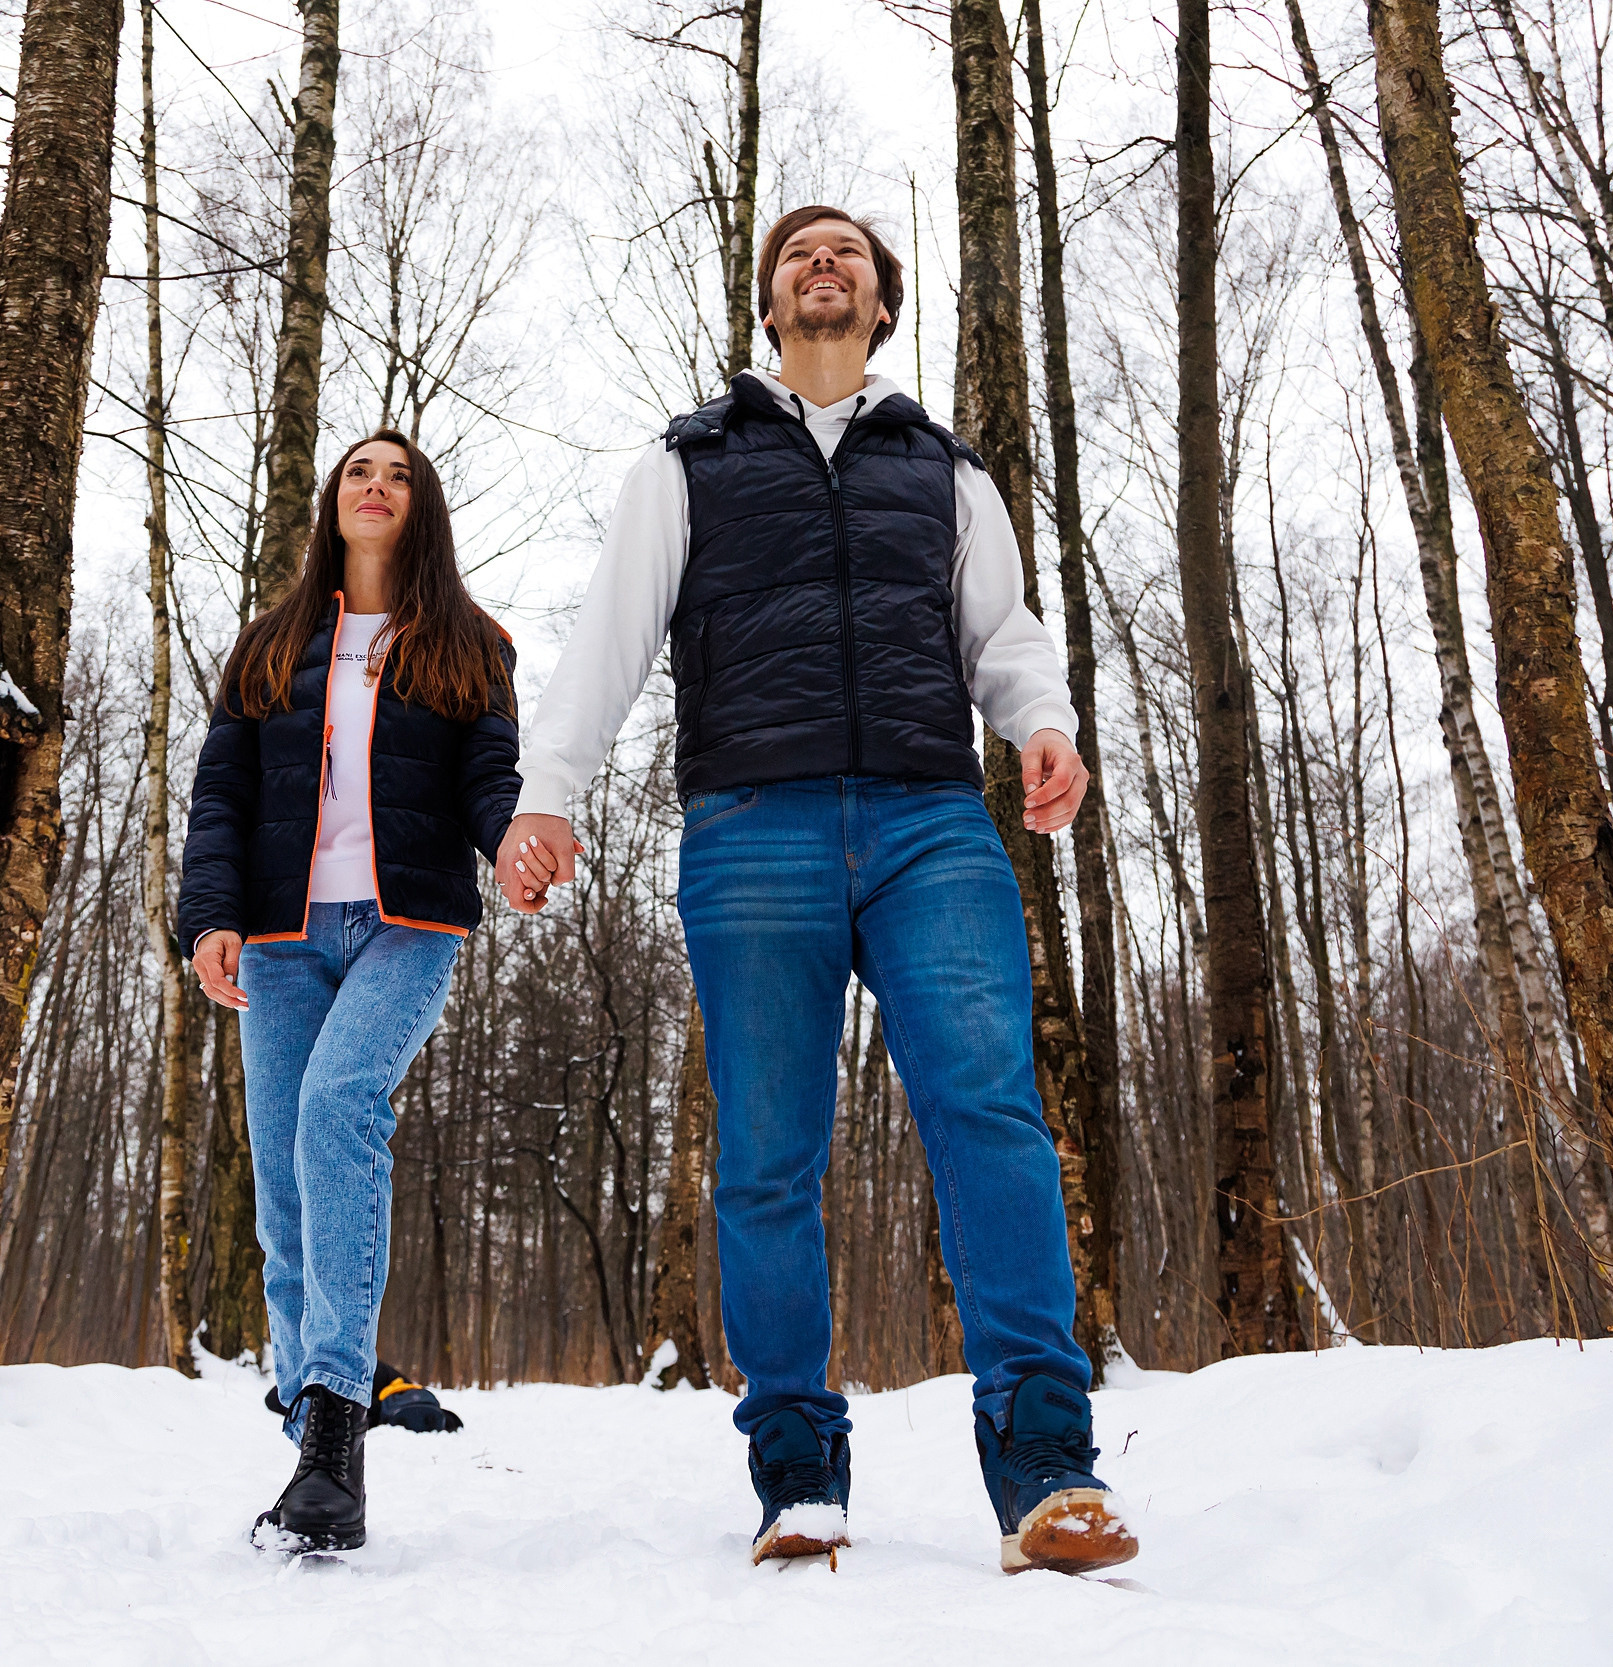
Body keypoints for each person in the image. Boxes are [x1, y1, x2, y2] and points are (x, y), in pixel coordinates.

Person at [499, 206, 1138, 1577]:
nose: (823, 264)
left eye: (846, 251)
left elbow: (1002, 627)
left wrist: (1041, 720)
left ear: (884, 303)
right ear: (772, 305)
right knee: (770, 1155)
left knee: (990, 1116)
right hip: (754, 831)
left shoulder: (944, 466)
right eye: (799, 255)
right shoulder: (691, 462)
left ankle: (1046, 1463)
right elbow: (609, 632)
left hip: (929, 824)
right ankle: (797, 1463)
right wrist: (545, 792)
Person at [180, 429, 520, 1553]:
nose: (376, 486)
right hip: (281, 936)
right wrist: (211, 917)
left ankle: (333, 1419)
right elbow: (221, 795)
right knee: (283, 1193)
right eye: (359, 471)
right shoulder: (269, 645)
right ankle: (312, 1423)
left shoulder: (472, 642)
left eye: (400, 475)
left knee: (338, 1109)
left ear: (420, 509)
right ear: (334, 500)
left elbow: (489, 784)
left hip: (407, 922)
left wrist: (518, 838)